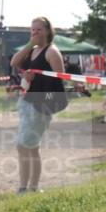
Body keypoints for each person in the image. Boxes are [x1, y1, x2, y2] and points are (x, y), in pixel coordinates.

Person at [10, 17, 66, 193]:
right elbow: (14, 62)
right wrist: (29, 45)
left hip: (41, 104)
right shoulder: (33, 50)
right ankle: (29, 187)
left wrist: (39, 79)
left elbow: (60, 81)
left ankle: (27, 187)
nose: (34, 33)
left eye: (38, 30)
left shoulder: (52, 52)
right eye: (32, 29)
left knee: (24, 145)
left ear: (48, 31)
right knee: (31, 147)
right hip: (27, 101)